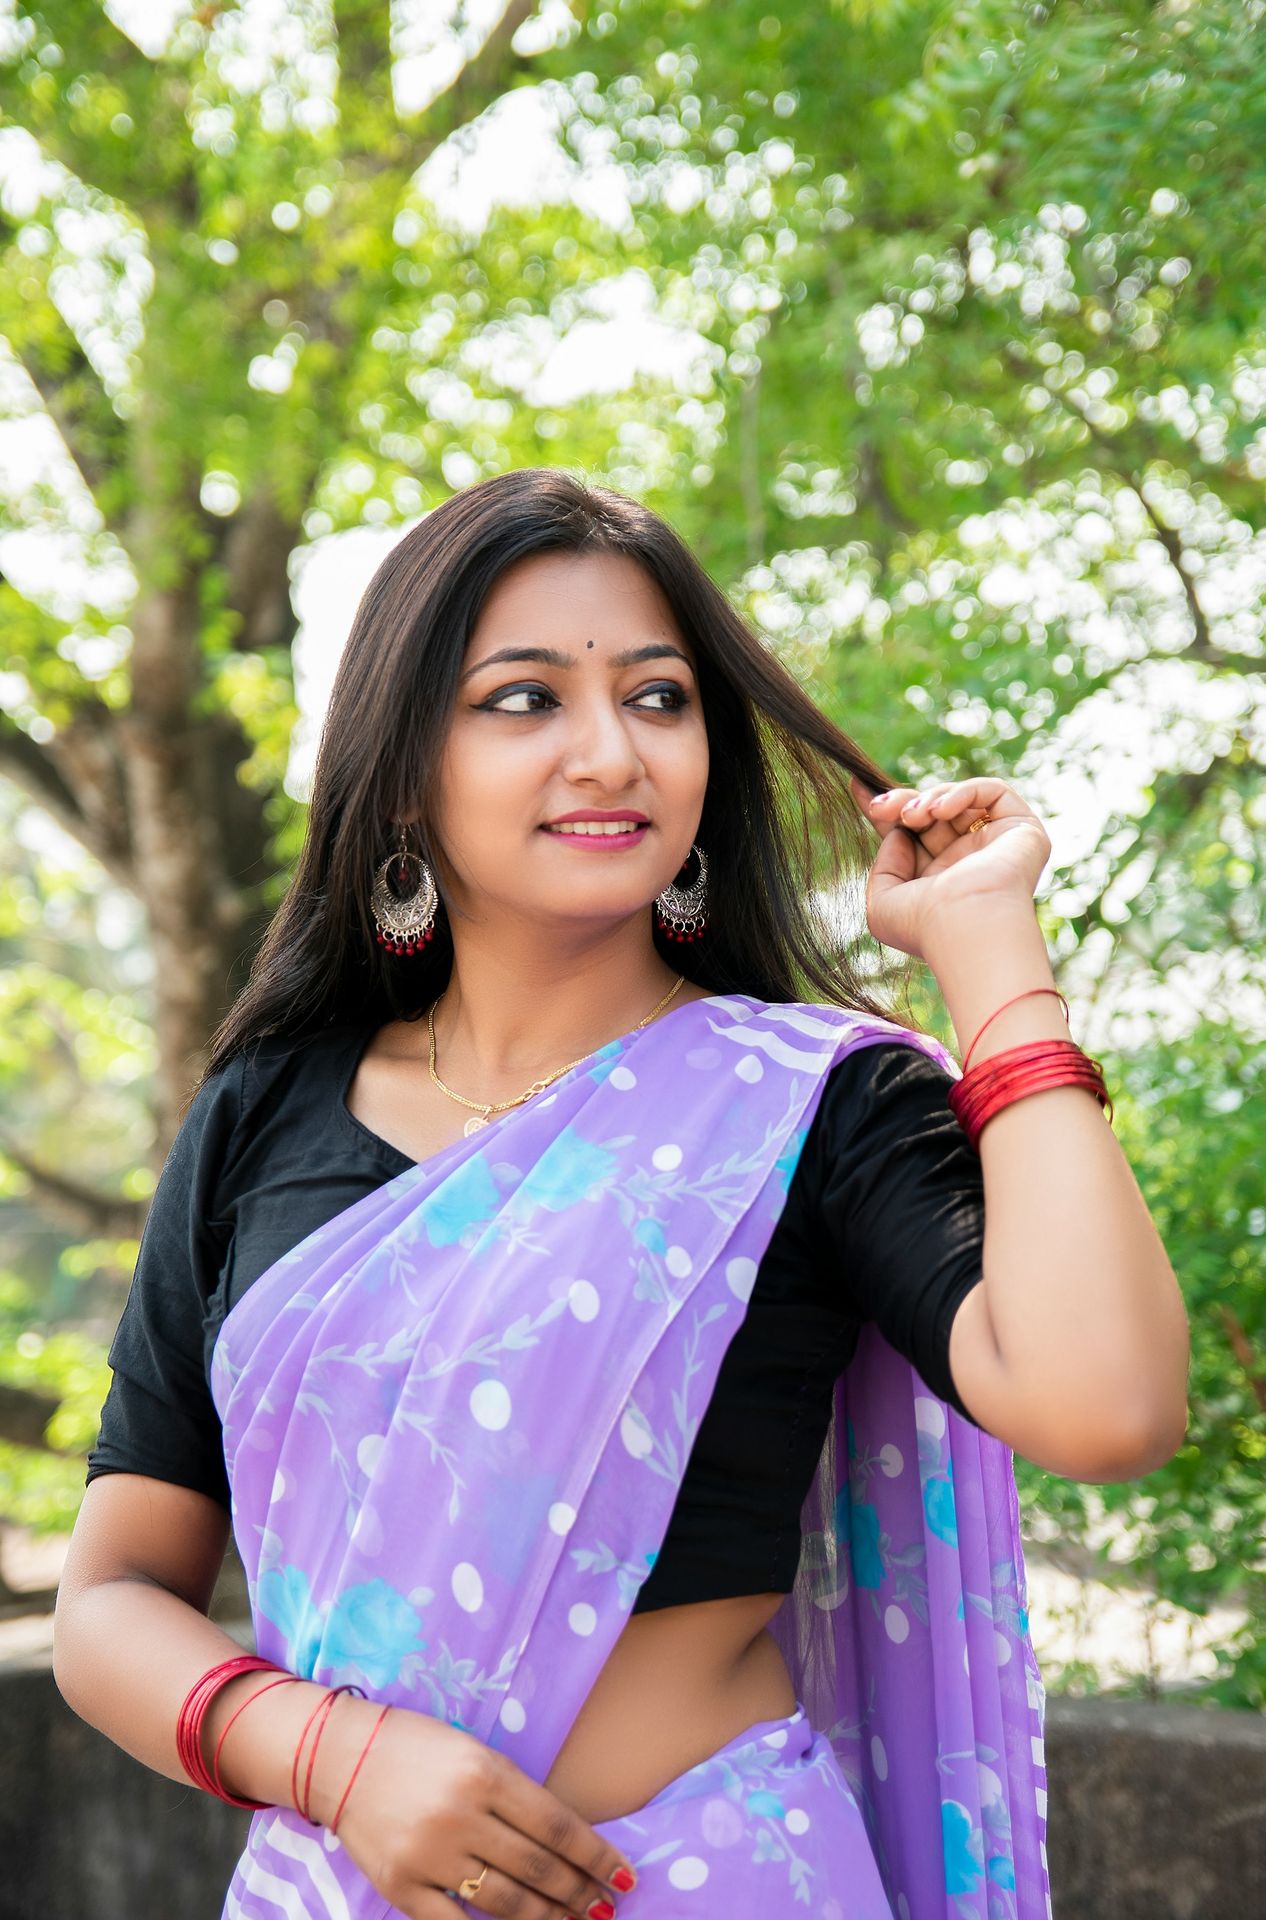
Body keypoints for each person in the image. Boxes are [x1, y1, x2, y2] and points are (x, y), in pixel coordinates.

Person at [53, 468, 1190, 1920]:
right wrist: (333, 1758)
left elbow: (1109, 1403)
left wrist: (988, 964)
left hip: (703, 1884)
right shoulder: (266, 1110)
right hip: (325, 1887)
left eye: (657, 699)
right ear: (402, 766)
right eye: (524, 699)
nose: (610, 751)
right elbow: (112, 1600)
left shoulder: (807, 1103)